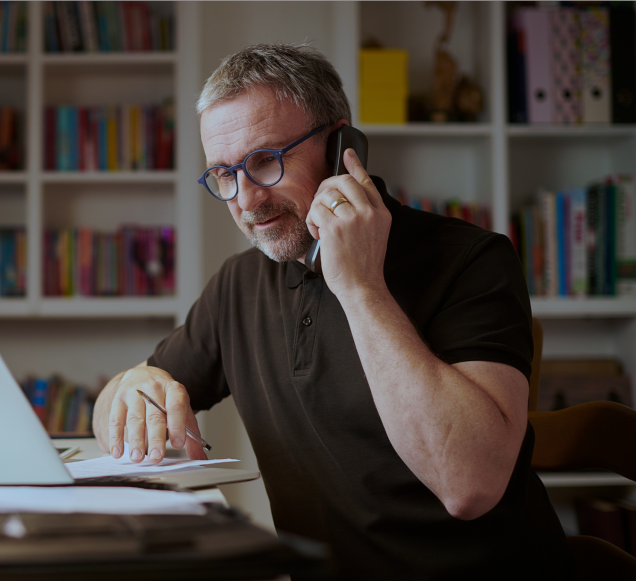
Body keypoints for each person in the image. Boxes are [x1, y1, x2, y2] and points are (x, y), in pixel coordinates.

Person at [91, 44, 574, 579]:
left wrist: (362, 288)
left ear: (343, 146)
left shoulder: (471, 259)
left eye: (265, 161)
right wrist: (135, 386)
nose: (246, 201)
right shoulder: (239, 284)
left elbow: (470, 486)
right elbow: (112, 415)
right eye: (224, 175)